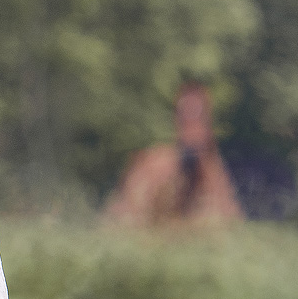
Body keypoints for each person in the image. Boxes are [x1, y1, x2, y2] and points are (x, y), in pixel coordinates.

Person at [104, 82, 243, 226]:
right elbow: (122, 216)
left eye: (197, 117)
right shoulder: (152, 167)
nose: (192, 127)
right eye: (186, 119)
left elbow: (231, 219)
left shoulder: (212, 172)